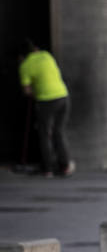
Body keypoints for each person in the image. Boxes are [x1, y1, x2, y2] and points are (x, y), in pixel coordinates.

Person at [18, 39, 71, 178]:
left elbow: (27, 91)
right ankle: (65, 166)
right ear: (34, 48)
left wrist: (35, 92)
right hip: (63, 96)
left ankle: (48, 169)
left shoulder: (25, 66)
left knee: (44, 134)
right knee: (59, 132)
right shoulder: (46, 55)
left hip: (46, 100)